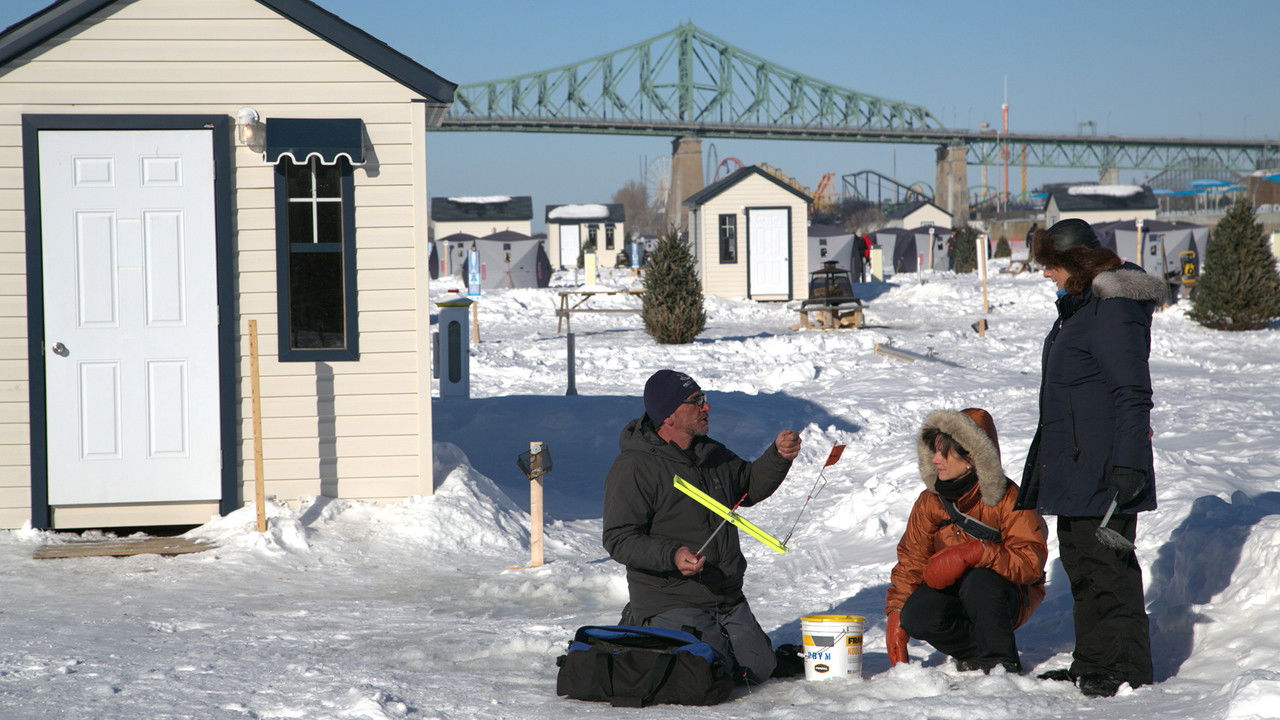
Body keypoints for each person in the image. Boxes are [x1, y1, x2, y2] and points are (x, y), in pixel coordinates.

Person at [1016, 218, 1166, 697]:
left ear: (1076, 264)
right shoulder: (1081, 308)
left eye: (1053, 266)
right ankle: (1093, 661)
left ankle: (1125, 667)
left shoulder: (1113, 309)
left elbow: (1132, 393)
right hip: (1076, 463)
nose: (1047, 275)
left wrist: (1129, 464)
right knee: (1082, 564)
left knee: (1109, 569)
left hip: (1105, 466)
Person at [602, 369, 802, 683]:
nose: (706, 408)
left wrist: (777, 456)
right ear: (669, 416)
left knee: (759, 669)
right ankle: (644, 624)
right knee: (708, 673)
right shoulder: (634, 467)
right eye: (696, 402)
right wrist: (672, 555)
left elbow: (747, 485)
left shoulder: (710, 452)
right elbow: (619, 538)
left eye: (703, 399)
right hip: (672, 596)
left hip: (723, 596)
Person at [885, 409, 1048, 674]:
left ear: (972, 457)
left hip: (1007, 594)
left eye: (944, 452)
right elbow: (911, 560)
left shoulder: (1009, 498)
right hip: (957, 592)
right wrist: (896, 611)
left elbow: (1030, 564)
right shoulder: (929, 501)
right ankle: (973, 652)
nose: (934, 459)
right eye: (933, 451)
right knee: (917, 614)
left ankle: (1000, 664)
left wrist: (978, 552)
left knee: (979, 581)